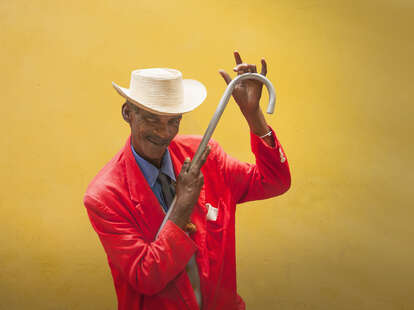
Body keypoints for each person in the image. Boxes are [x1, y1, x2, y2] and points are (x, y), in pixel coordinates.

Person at [83, 51, 291, 310]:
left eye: (173, 121)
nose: (164, 133)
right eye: (151, 119)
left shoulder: (207, 155)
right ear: (128, 113)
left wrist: (253, 115)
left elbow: (274, 181)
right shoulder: (104, 197)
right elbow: (147, 277)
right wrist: (183, 203)